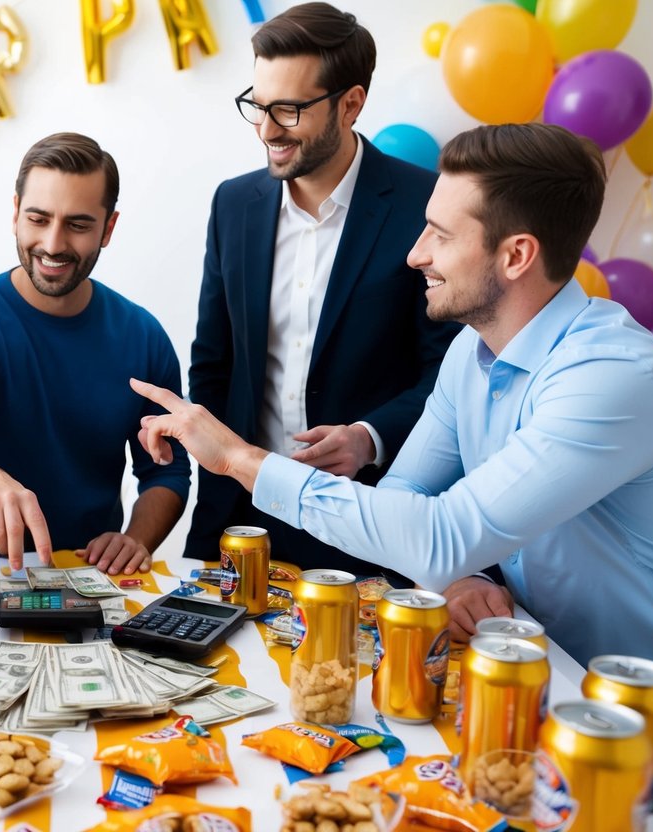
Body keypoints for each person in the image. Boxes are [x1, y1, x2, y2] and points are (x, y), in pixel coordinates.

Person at [133, 122, 653, 665]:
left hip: (635, 711)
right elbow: (406, 499)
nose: (415, 255)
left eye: (440, 234)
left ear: (516, 256)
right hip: (527, 670)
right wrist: (465, 574)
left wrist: (239, 458)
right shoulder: (469, 353)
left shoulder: (611, 376)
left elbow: (441, 534)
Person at [185, 2, 458, 578]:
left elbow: (452, 375)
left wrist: (369, 436)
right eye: (257, 105)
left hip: (371, 523)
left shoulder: (426, 206)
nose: (266, 130)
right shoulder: (232, 204)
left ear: (351, 104)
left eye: (288, 109)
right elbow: (214, 362)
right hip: (241, 520)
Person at [0, 132, 190, 573]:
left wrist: (136, 540)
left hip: (94, 581)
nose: (54, 244)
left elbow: (166, 471)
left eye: (77, 225)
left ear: (108, 228)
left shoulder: (143, 335)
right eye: (38, 219)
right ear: (16, 212)